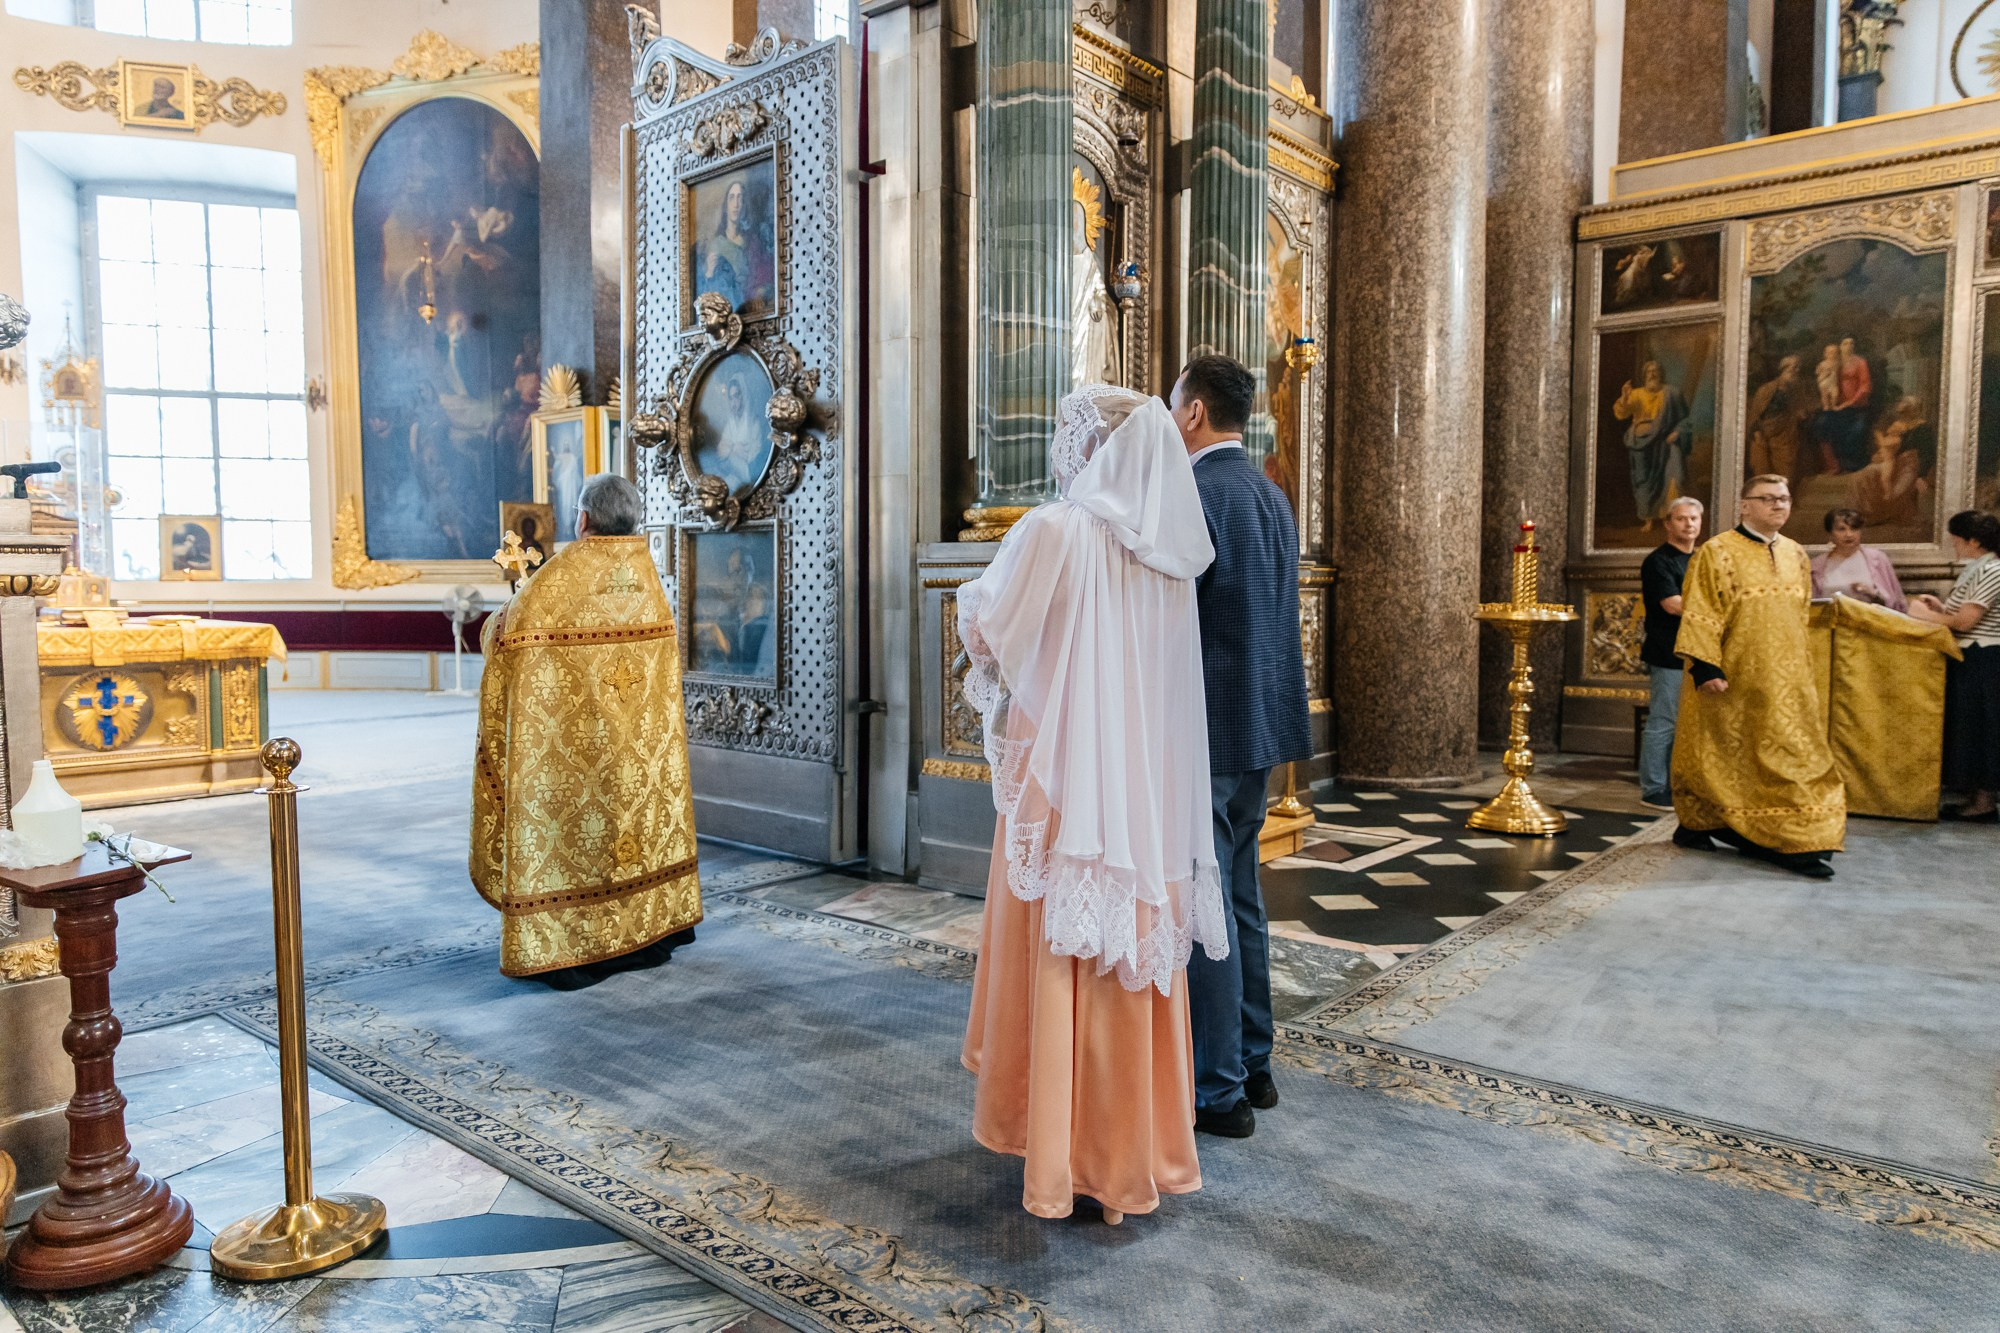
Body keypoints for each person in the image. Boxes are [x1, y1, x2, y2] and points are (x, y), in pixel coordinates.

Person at [959, 384, 1226, 1224]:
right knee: (1130, 956)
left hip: (1064, 782)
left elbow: (987, 630)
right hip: (1144, 787)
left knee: (1061, 954)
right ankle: (1125, 1160)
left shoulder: (1054, 529)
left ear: (1086, 449)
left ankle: (1059, 1155)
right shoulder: (1168, 555)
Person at [472, 474, 702, 976]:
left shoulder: (561, 574)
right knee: (633, 822)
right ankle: (649, 926)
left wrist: (499, 617)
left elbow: (504, 635)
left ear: (583, 518)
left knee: (576, 834)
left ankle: (570, 944)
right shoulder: (646, 574)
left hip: (577, 752)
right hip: (636, 748)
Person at [1169, 354, 1312, 1139]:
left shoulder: (1193, 493)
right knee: (1244, 894)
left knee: (1208, 904)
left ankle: (1218, 1088)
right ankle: (1256, 1063)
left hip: (1211, 730)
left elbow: (1170, 621)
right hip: (1263, 725)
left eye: (1172, 404)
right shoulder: (1271, 493)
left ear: (1193, 413)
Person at [1671, 475, 1846, 878]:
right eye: (1767, 499)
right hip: (1733, 677)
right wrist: (1705, 666)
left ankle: (1799, 835)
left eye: (1783, 499)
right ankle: (1710, 822)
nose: (1778, 506)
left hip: (1788, 679)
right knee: (1727, 756)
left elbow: (1800, 615)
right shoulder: (1716, 552)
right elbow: (1701, 611)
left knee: (1794, 755)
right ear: (1744, 505)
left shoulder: (1797, 554)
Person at [1909, 510, 2000, 822]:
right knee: (1972, 728)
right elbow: (1962, 612)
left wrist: (1926, 616)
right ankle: (1976, 796)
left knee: (1983, 730)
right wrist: (1940, 608)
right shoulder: (1979, 568)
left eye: (1957, 540)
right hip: (1973, 657)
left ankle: (1984, 801)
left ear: (1974, 540)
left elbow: (1965, 622)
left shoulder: (1993, 570)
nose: (1954, 546)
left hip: (1985, 659)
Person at [1637, 496, 1703, 811]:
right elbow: (1672, 604)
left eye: (1693, 519)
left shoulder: (1702, 559)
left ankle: (1678, 782)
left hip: (1697, 649)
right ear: (1668, 523)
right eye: (1681, 519)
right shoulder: (1658, 561)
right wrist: (1713, 610)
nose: (1688, 524)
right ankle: (1653, 787)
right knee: (1664, 720)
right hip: (1668, 651)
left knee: (1689, 722)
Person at [1612, 359, 1694, 532]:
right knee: (1643, 482)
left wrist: (1677, 433)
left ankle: (1673, 517)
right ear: (1644, 375)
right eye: (1649, 371)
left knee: (1674, 477)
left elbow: (1686, 420)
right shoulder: (1636, 394)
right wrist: (1625, 396)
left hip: (1666, 441)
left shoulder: (1672, 393)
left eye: (1656, 370)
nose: (1652, 374)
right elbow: (1621, 414)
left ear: (1661, 373)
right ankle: (1648, 519)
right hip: (1640, 445)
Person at [1811, 508, 1906, 611]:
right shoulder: (1816, 567)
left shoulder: (1878, 559)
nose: (1849, 534)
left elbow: (1897, 604)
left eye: (1854, 528)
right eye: (1841, 529)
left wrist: (1874, 594)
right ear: (1830, 533)